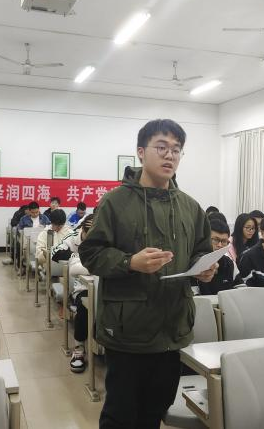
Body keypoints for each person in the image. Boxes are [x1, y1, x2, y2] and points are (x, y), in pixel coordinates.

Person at [79, 118, 215, 429]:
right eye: (161, 147)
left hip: (173, 327)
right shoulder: (115, 202)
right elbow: (91, 253)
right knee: (120, 415)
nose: (170, 155)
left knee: (155, 411)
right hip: (129, 329)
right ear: (141, 152)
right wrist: (130, 262)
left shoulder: (190, 207)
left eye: (176, 150)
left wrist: (204, 268)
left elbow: (200, 250)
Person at [52, 214, 95, 373]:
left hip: (103, 284)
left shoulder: (106, 239)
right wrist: (74, 258)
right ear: (83, 230)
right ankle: (79, 348)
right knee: (85, 305)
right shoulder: (73, 238)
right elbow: (56, 253)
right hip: (81, 286)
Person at [198, 219, 241, 295]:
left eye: (224, 241)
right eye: (215, 240)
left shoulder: (229, 263)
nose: (220, 245)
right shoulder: (195, 263)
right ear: (205, 239)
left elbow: (241, 289)